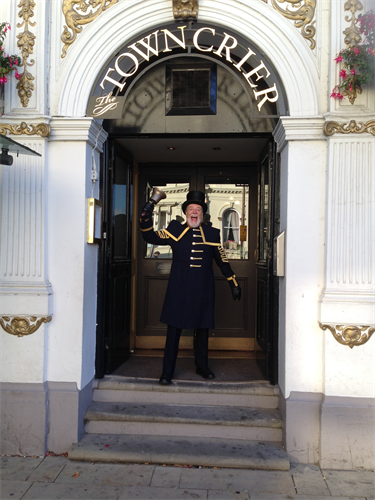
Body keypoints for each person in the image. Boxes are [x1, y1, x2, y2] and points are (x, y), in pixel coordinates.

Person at [140, 190, 241, 385]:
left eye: (198, 209)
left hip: (203, 291)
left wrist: (233, 283)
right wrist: (148, 208)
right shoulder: (174, 230)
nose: (194, 212)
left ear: (202, 214)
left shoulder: (212, 234)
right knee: (173, 333)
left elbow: (223, 261)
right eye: (191, 209)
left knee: (202, 331)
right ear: (186, 212)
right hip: (178, 291)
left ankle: (202, 367)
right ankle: (167, 372)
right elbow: (149, 236)